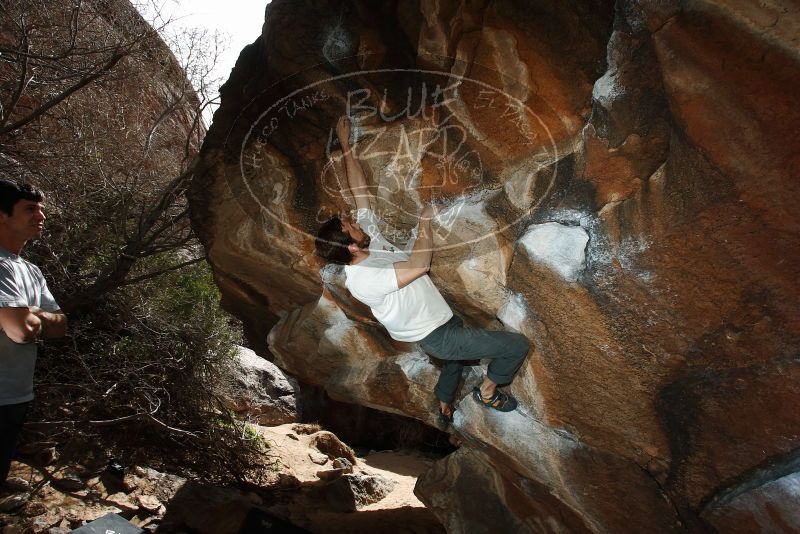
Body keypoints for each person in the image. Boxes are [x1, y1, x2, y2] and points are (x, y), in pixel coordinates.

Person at [315, 117, 529, 426]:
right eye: (352, 226)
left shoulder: (367, 242)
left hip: (438, 317)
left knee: (454, 362)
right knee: (515, 346)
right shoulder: (363, 281)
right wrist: (425, 222)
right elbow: (419, 266)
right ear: (351, 247)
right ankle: (487, 392)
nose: (357, 223)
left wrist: (346, 145)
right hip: (433, 334)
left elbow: (359, 191)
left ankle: (443, 400)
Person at [0, 180, 67, 489]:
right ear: (2, 215)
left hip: (16, 394)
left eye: (41, 209)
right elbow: (21, 330)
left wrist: (29, 313)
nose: (40, 217)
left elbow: (60, 327)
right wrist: (33, 316)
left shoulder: (31, 270)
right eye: (29, 209)